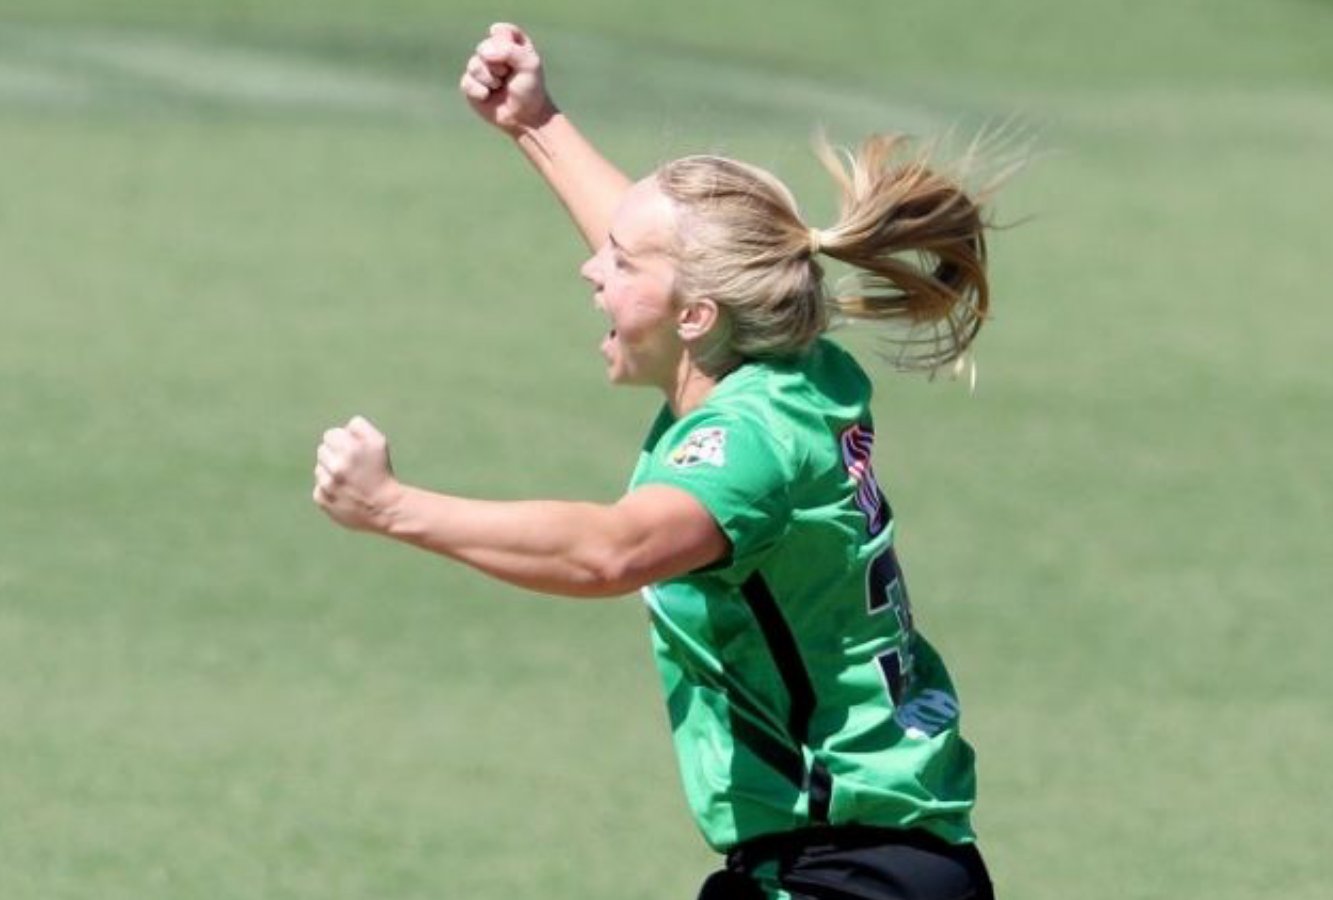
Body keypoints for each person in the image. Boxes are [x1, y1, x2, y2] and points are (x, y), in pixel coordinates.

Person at [314, 22, 1004, 900]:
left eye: (619, 261)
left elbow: (612, 552)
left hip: (843, 873)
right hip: (889, 862)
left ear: (695, 318)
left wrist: (394, 508)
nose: (589, 269)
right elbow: (674, 256)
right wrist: (535, 122)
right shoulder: (796, 370)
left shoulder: (745, 447)